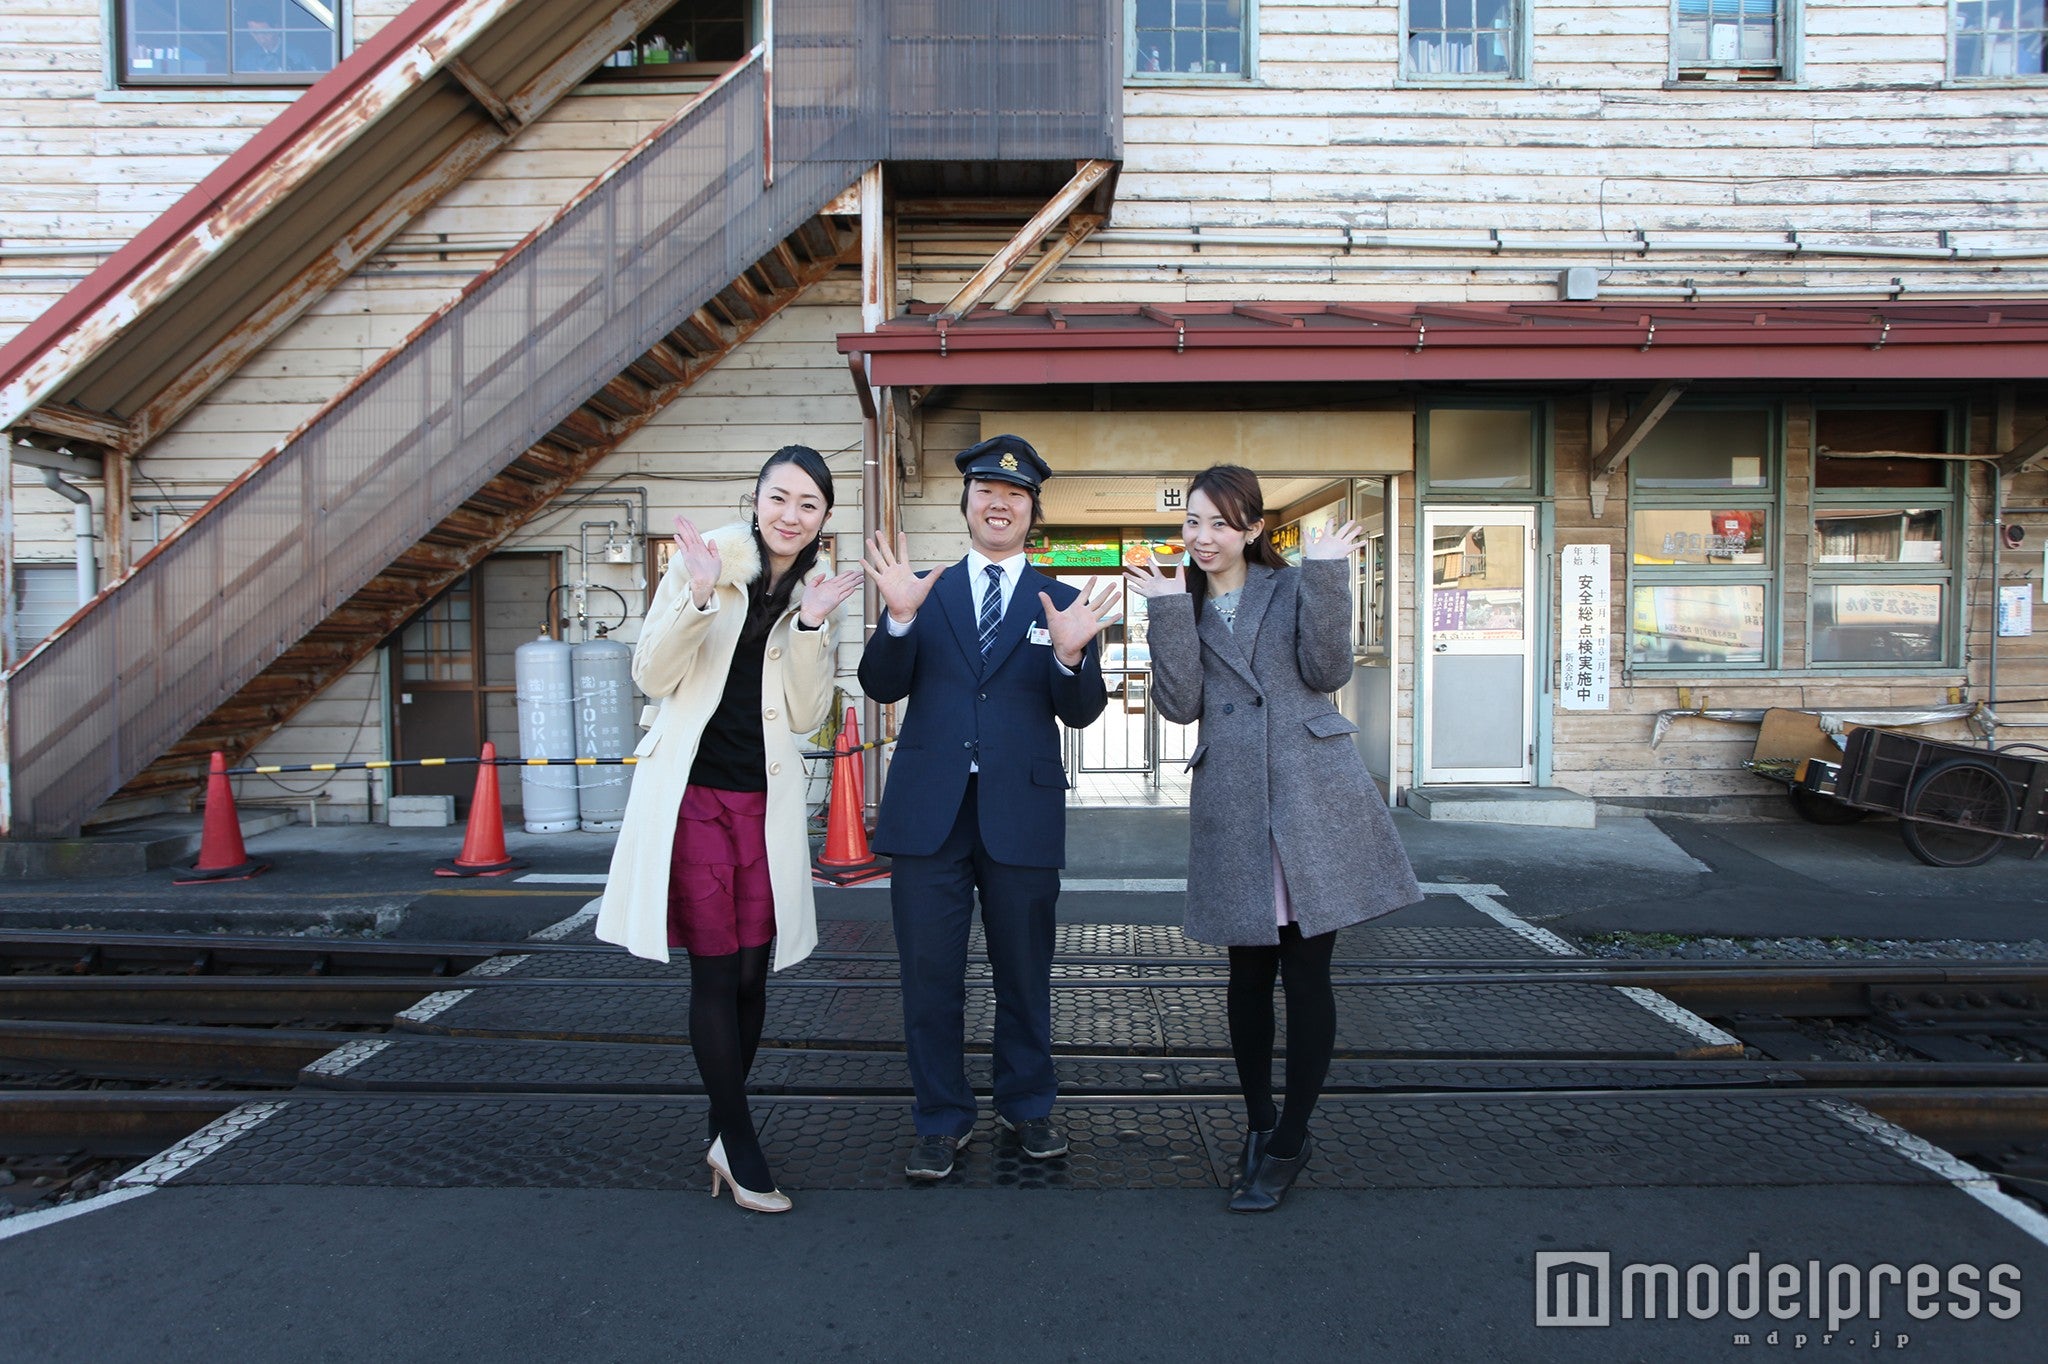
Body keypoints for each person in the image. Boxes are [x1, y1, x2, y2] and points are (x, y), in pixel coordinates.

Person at [1128, 464, 1422, 1213]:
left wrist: (1327, 576)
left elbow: (1327, 669)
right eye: (1194, 521)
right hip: (1234, 800)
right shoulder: (1182, 603)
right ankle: (1260, 1123)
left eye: (1221, 523)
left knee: (1308, 975)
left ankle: (1292, 1138)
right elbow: (1181, 706)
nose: (1203, 537)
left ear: (1254, 529)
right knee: (1247, 978)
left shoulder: (1290, 588)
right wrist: (1164, 610)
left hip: (1308, 794)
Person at [595, 446, 862, 1213]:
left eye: (808, 504)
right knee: (715, 970)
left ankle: (722, 1126)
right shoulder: (707, 562)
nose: (790, 514)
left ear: (822, 519)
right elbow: (650, 675)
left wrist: (812, 627)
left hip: (765, 805)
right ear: (755, 498)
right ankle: (739, 1138)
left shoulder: (815, 590)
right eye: (779, 497)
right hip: (695, 799)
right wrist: (699, 598)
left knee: (752, 971)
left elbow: (810, 718)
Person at [858, 434, 1119, 1181]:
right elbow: (881, 685)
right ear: (966, 504)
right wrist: (899, 620)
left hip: (1022, 814)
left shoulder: (1062, 599)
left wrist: (1070, 659)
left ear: (1033, 512)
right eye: (986, 492)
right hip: (929, 814)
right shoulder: (924, 589)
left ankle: (1027, 1107)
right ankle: (940, 1119)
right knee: (929, 977)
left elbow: (1083, 713)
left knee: (1024, 974)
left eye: (1015, 495)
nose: (999, 503)